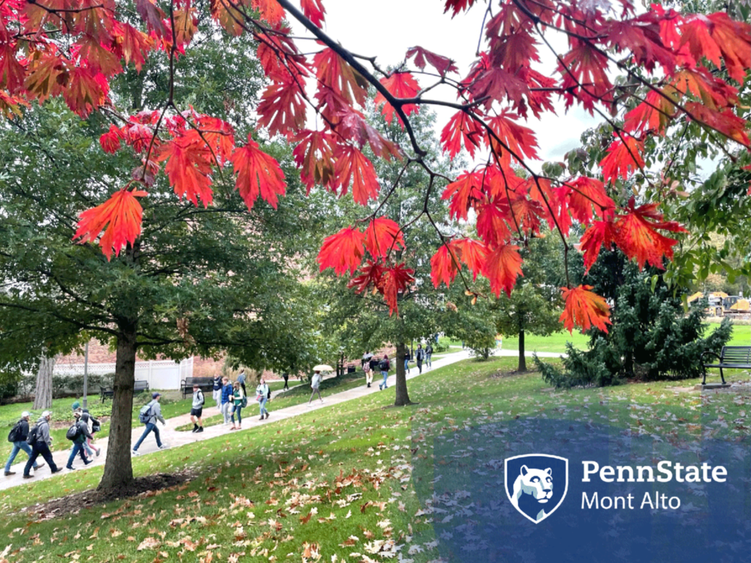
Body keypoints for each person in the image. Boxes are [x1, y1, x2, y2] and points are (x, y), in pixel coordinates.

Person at [4, 411, 44, 476]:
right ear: (27, 417)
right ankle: (35, 466)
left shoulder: (19, 422)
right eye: (29, 416)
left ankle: (6, 470)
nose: (29, 417)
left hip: (16, 442)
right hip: (22, 442)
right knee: (31, 453)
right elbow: (25, 435)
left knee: (12, 455)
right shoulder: (25, 424)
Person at [23, 411, 61, 479]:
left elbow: (39, 433)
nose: (50, 417)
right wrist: (49, 443)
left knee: (32, 459)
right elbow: (45, 436)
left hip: (35, 444)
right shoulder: (45, 424)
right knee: (48, 456)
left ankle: (26, 473)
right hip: (41, 444)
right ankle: (54, 469)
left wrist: (49, 437)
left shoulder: (39, 422)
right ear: (47, 417)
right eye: (49, 415)